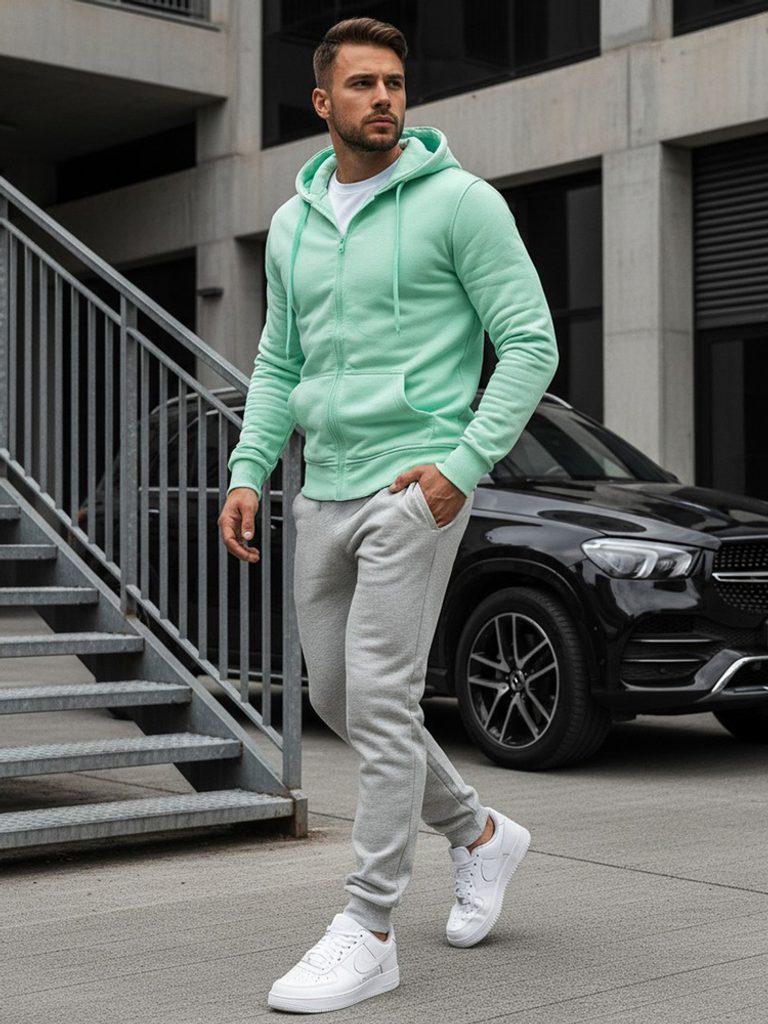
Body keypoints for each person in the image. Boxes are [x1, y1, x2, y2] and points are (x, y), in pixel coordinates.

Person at [218, 16, 559, 1015]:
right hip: (321, 486)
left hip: (415, 488)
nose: (383, 98)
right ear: (321, 101)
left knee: (380, 698)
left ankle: (368, 927)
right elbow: (278, 359)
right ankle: (480, 833)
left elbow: (530, 342)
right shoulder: (292, 225)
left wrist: (461, 465)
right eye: (363, 84)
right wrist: (248, 468)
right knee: (338, 698)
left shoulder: (462, 204)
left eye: (395, 83)